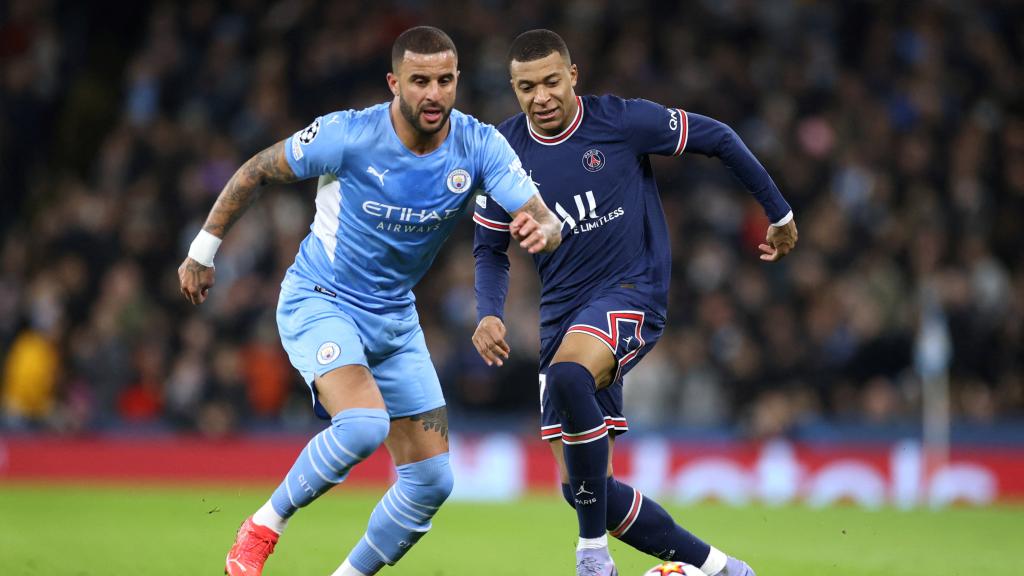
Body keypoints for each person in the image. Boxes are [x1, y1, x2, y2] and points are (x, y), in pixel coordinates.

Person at [178, 26, 562, 576]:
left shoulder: (478, 145)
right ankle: (263, 525)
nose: (435, 94)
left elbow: (542, 215)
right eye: (420, 81)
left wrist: (543, 231)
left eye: (446, 80)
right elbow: (256, 170)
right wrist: (202, 251)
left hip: (394, 319)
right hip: (321, 299)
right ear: (393, 83)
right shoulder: (347, 135)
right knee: (362, 426)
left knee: (432, 482)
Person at [471, 30, 798, 576]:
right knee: (584, 487)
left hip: (631, 292)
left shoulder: (620, 122)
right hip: (561, 317)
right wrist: (488, 311)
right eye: (527, 87)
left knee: (573, 378)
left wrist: (780, 214)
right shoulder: (501, 153)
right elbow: (489, 248)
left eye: (552, 81)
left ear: (573, 77)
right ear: (513, 88)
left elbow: (718, 137)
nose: (541, 97)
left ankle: (592, 557)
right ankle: (725, 571)